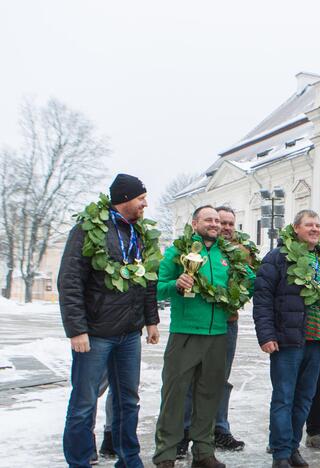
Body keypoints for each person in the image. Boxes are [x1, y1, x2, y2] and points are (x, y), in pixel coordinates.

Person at [59, 173, 161, 468]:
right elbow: (70, 282)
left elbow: (146, 281)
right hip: (96, 334)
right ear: (125, 199)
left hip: (129, 334)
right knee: (84, 403)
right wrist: (77, 329)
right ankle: (79, 461)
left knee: (128, 401)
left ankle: (128, 459)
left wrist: (150, 320)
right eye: (141, 198)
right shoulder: (87, 230)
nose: (145, 203)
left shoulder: (138, 233)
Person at [153, 205, 253, 468]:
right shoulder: (178, 251)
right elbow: (155, 288)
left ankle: (204, 452)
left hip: (218, 334)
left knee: (209, 395)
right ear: (195, 223)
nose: (215, 224)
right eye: (209, 219)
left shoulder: (228, 254)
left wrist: (239, 294)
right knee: (175, 395)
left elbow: (251, 280)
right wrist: (175, 285)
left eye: (218, 221)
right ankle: (166, 453)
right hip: (185, 333)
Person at [253, 210, 320, 468]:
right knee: (284, 396)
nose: (314, 229)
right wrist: (266, 335)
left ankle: (293, 447)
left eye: (317, 224)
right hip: (287, 340)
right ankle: (281, 453)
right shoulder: (277, 258)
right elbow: (262, 299)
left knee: (305, 397)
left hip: (317, 339)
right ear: (295, 229)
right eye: (308, 225)